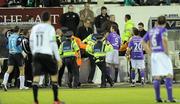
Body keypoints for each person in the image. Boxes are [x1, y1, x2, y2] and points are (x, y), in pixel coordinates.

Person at [30, 11, 64, 104]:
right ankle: (56, 100)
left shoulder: (35, 27)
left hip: (36, 54)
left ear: (41, 18)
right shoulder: (50, 28)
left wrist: (34, 53)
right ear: (49, 18)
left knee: (36, 77)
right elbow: (53, 43)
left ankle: (35, 101)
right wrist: (58, 58)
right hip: (46, 54)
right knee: (54, 75)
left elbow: (31, 41)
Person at [142, 16, 176, 102]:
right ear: (165, 23)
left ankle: (158, 98)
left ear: (157, 21)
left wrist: (149, 52)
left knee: (157, 76)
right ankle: (170, 98)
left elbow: (143, 42)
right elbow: (164, 40)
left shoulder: (151, 31)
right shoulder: (163, 30)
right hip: (162, 53)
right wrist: (167, 52)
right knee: (169, 74)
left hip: (154, 54)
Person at [1, 26, 28, 91]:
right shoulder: (19, 37)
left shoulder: (10, 37)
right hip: (18, 54)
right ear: (18, 30)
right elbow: (18, 45)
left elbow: (8, 46)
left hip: (11, 54)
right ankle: (22, 86)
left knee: (9, 69)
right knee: (22, 69)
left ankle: (4, 83)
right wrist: (23, 52)